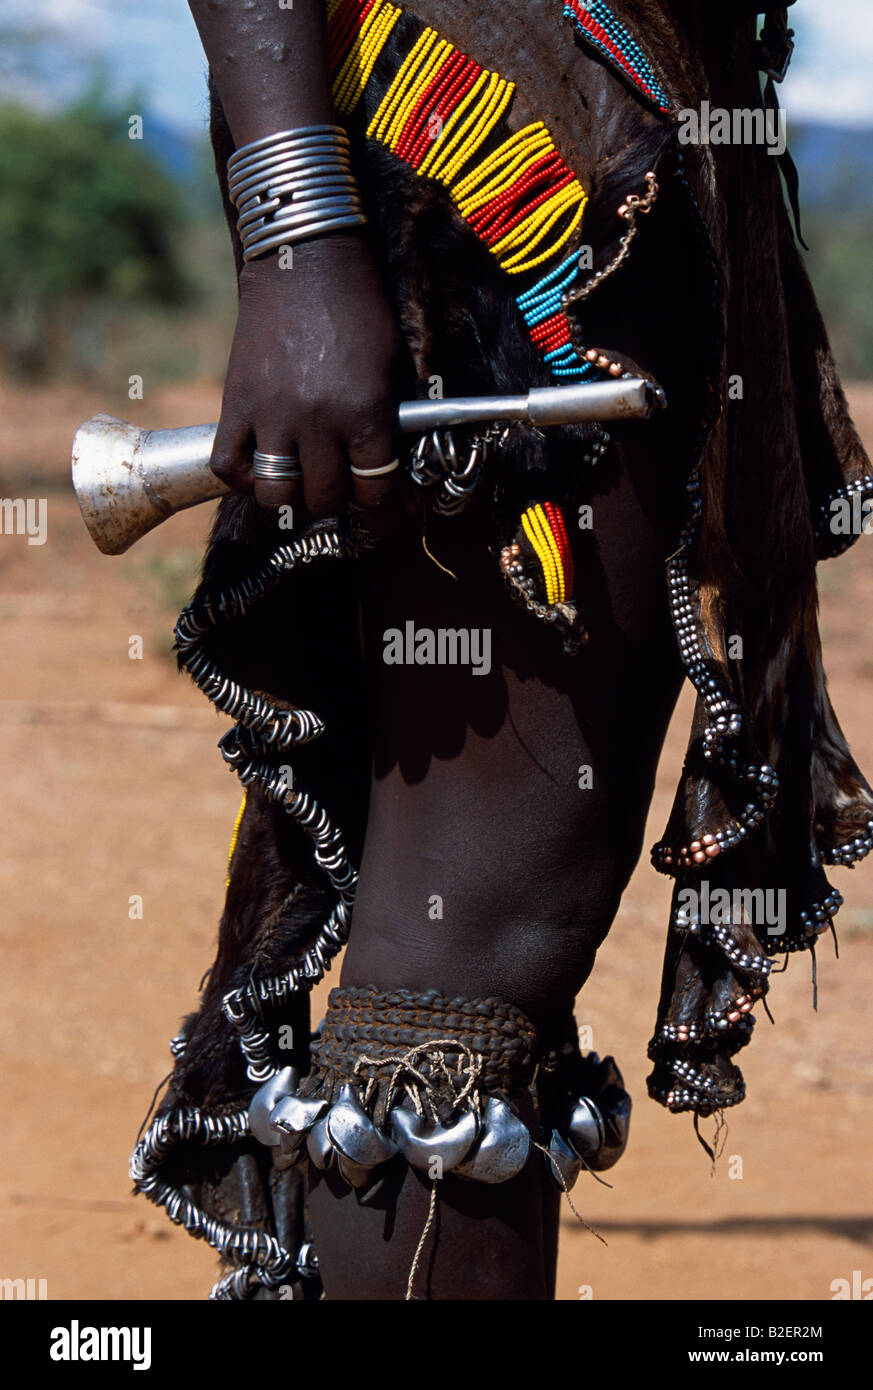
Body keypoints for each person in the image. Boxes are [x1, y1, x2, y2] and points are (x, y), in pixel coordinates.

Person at [131, 0, 873, 1299]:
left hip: (551, 137)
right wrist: (295, 222)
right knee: (459, 1005)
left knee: (465, 976)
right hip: (517, 187)